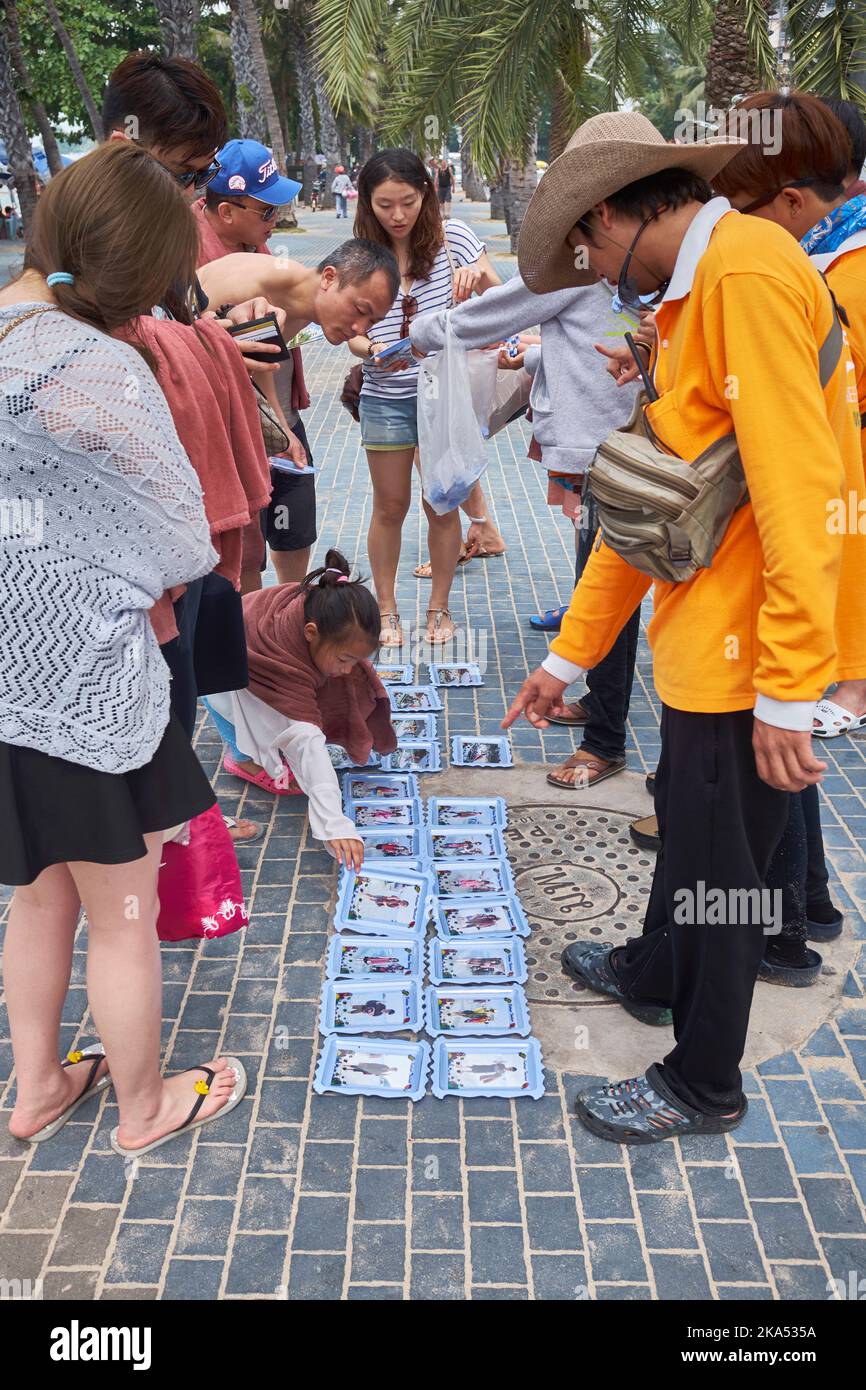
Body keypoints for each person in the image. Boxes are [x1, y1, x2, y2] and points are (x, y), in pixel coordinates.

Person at [505, 111, 865, 1145]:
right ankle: (653, 972)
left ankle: (700, 1080)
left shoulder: (741, 279)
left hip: (742, 651)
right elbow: (649, 497)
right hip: (704, 636)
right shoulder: (700, 290)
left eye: (588, 246)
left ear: (619, 210)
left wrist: (789, 689)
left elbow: (801, 489)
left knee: (721, 884)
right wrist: (565, 656)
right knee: (693, 842)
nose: (592, 269)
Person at [1, 143, 246, 1156]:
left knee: (38, 896)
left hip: (7, 684)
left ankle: (37, 1086)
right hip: (96, 688)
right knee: (123, 913)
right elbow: (183, 540)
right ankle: (143, 1106)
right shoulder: (102, 363)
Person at [711, 91, 866, 978]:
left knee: (769, 755)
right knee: (779, 761)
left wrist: (791, 680)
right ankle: (802, 901)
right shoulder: (800, 259)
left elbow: (794, 480)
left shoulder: (765, 269)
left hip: (786, 562)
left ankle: (774, 936)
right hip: (806, 549)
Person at [410, 271, 640, 787]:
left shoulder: (586, 263)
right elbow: (588, 343)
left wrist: (414, 334)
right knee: (599, 579)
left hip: (617, 449)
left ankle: (605, 740)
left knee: (607, 586)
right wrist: (535, 356)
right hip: (612, 444)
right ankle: (602, 701)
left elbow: (492, 311)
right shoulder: (618, 268)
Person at [345, 148, 502, 646]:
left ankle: (439, 608)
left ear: (427, 196)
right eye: (384, 204)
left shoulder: (454, 239)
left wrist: (478, 282)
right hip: (386, 394)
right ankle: (387, 612)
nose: (397, 215)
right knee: (390, 506)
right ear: (367, 204)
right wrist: (371, 348)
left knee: (443, 504)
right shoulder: (361, 254)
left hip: (444, 399)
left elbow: (501, 300)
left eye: (408, 202)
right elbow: (351, 328)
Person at [204, 550, 397, 868]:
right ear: (310, 633)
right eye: (345, 659)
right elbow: (306, 741)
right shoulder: (278, 658)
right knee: (250, 712)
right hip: (217, 668)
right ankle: (241, 759)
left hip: (232, 644)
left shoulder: (320, 609)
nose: (349, 671)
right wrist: (335, 824)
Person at [193, 139, 321, 586]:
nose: (276, 220)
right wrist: (281, 430)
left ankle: (284, 620)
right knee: (242, 548)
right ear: (226, 211)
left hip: (277, 409)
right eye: (267, 211)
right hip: (235, 422)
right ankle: (248, 643)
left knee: (294, 523)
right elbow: (247, 353)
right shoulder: (190, 258)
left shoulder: (255, 244)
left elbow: (268, 343)